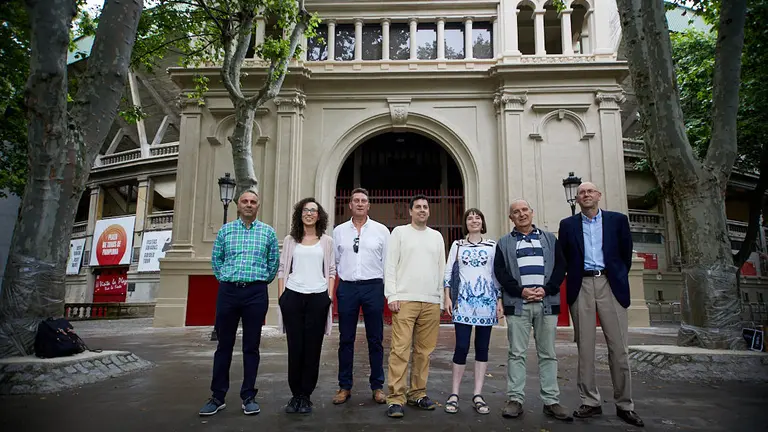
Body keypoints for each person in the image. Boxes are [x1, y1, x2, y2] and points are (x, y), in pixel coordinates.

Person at [558, 182, 644, 427]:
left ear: (598, 196)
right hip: (581, 286)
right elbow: (564, 256)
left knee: (619, 349)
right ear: (577, 199)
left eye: (590, 192)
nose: (586, 195)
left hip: (610, 284)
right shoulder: (567, 225)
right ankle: (590, 401)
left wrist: (615, 275)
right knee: (585, 348)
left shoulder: (617, 220)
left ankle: (625, 404)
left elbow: (625, 254)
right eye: (581, 193)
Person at [199, 188, 279, 417]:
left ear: (258, 206)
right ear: (238, 205)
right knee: (224, 345)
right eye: (245, 201)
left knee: (251, 346)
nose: (249, 204)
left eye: (253, 201)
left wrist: (259, 281)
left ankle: (249, 396)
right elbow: (217, 261)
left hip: (256, 292)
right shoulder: (225, 231)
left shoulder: (268, 233)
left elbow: (272, 264)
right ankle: (217, 396)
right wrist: (228, 279)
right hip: (229, 292)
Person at [494, 199, 572, 422]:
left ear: (532, 212)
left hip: (546, 304)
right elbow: (500, 272)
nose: (521, 214)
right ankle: (515, 399)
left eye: (524, 210)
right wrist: (521, 291)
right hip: (518, 305)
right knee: (516, 353)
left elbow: (560, 266)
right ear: (511, 218)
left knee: (548, 354)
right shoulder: (504, 243)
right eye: (516, 212)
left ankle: (551, 401)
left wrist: (547, 289)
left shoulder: (549, 239)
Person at [384, 194, 446, 418]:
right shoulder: (399, 233)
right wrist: (392, 295)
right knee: (400, 350)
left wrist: (441, 297)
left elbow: (442, 268)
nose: (422, 210)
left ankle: (417, 393)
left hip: (431, 300)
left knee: (424, 352)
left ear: (429, 211)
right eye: (418, 207)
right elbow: (390, 265)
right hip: (405, 299)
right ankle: (395, 398)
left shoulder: (437, 236)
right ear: (410, 211)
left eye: (425, 207)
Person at [278, 198, 336, 414]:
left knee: (313, 348)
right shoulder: (291, 240)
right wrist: (282, 296)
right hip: (293, 296)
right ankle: (295, 395)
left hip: (318, 298)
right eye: (305, 210)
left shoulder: (326, 241)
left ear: (319, 215)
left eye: (313, 210)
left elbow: (331, 270)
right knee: (295, 347)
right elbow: (282, 268)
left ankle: (306, 395)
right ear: (299, 214)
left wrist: (328, 296)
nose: (309, 213)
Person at [332, 188, 390, 405]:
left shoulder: (381, 231)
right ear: (349, 205)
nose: (359, 203)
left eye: (363, 200)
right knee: (346, 339)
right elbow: (336, 260)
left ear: (369, 205)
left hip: (373, 287)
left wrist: (387, 290)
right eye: (355, 200)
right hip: (347, 287)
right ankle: (344, 386)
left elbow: (387, 262)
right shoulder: (339, 231)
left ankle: (377, 386)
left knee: (375, 339)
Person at [442, 208, 503, 415]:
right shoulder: (457, 245)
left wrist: (499, 300)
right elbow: (449, 271)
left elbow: (496, 275)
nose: (474, 220)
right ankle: (454, 393)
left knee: (482, 348)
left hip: (486, 302)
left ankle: (478, 393)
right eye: (470, 217)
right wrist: (447, 296)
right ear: (465, 223)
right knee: (461, 346)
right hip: (463, 303)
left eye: (478, 217)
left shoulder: (492, 246)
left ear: (482, 223)